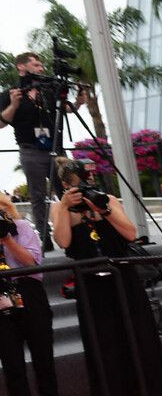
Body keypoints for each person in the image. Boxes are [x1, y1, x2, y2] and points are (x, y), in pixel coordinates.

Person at [50, 159, 162, 396]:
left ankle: (153, 388)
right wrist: (64, 207)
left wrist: (103, 210)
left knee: (139, 329)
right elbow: (63, 241)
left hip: (122, 275)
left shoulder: (107, 200)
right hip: (91, 281)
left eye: (88, 180)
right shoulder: (60, 208)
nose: (85, 186)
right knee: (105, 337)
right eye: (78, 182)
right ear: (65, 185)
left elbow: (130, 234)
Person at [0, 193, 84, 396]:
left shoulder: (22, 228)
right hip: (1, 297)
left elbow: (32, 263)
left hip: (29, 292)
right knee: (11, 360)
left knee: (43, 353)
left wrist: (6, 238)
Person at [0, 52, 87, 251]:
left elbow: (66, 109)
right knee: (38, 195)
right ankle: (44, 237)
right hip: (30, 150)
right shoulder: (10, 93)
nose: (41, 68)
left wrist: (79, 102)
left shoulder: (48, 89)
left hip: (55, 148)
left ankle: (75, 233)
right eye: (36, 65)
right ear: (21, 67)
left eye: (41, 65)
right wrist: (14, 104)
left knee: (68, 188)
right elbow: (1, 123)